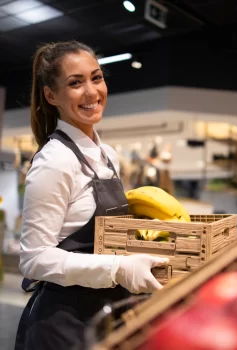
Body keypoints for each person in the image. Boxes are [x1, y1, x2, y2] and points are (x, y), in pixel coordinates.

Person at [14, 41, 169, 350]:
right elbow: (34, 259)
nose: (91, 91)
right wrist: (118, 269)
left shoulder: (108, 155)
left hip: (106, 317)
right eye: (75, 83)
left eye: (96, 78)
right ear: (51, 95)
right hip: (63, 326)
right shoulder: (54, 161)